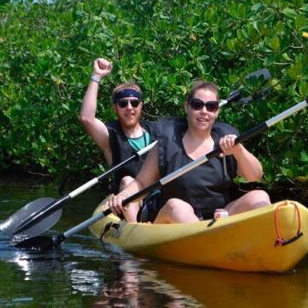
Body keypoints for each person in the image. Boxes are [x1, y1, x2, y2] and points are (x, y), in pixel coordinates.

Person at [107, 80, 270, 223]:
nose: (204, 111)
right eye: (197, 105)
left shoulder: (228, 143)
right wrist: (123, 196)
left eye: (211, 106)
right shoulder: (167, 142)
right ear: (187, 107)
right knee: (178, 207)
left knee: (260, 196)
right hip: (173, 219)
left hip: (217, 217)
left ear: (217, 111)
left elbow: (255, 175)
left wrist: (239, 150)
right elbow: (141, 183)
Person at [79, 57, 158, 221]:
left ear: (141, 105)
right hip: (126, 201)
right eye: (123, 103)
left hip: (157, 196)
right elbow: (86, 118)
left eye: (134, 103)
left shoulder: (157, 131)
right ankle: (135, 231)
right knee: (128, 180)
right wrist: (96, 76)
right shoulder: (110, 136)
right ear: (115, 107)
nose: (129, 108)